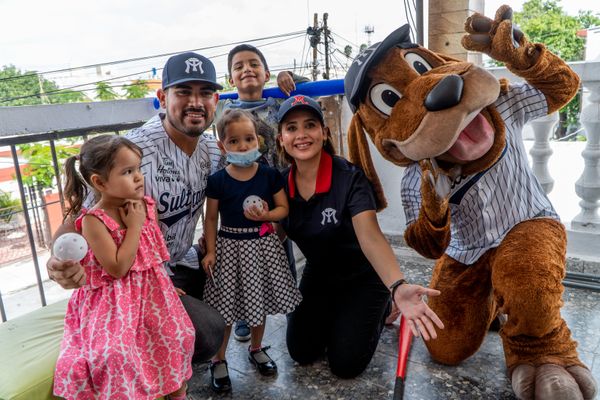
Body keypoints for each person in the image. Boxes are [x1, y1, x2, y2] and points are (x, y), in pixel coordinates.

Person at [46, 51, 226, 366]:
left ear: (216, 100)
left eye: (205, 93)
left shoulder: (212, 149)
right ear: (161, 97)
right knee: (207, 332)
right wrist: (58, 262)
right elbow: (79, 220)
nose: (196, 102)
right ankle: (154, 377)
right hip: (136, 277)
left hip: (180, 260)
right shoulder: (133, 152)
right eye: (183, 92)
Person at [276, 95, 445, 378]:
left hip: (364, 277)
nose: (301, 135)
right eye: (291, 128)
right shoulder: (280, 183)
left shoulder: (349, 177)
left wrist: (398, 285)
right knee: (301, 351)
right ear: (281, 138)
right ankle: (340, 315)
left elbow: (370, 237)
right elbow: (273, 234)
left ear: (324, 132)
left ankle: (384, 307)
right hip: (319, 275)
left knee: (345, 364)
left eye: (310, 125)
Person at [53, 135, 194, 400]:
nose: (138, 177)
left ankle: (178, 392)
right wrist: (135, 226)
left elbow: (150, 258)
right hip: (112, 301)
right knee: (117, 352)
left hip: (150, 292)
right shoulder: (94, 221)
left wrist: (164, 285)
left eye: (138, 168)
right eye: (128, 172)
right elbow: (118, 268)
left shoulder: (144, 206)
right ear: (99, 182)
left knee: (179, 334)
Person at [201, 109, 301, 393]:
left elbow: (284, 209)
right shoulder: (218, 180)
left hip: (262, 247)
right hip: (228, 248)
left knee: (260, 302)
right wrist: (211, 251)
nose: (243, 146)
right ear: (223, 146)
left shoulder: (270, 176)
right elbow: (210, 219)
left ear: (258, 140)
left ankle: (256, 347)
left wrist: (266, 216)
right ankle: (218, 358)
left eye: (248, 139)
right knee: (225, 308)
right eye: (234, 141)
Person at [217, 43, 309, 342]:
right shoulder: (225, 111)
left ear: (266, 73)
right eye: (239, 66)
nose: (247, 69)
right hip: (241, 201)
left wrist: (290, 76)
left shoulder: (277, 103)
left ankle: (293, 308)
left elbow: (308, 93)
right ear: (231, 79)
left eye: (254, 64)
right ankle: (246, 314)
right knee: (245, 263)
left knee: (283, 254)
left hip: (279, 196)